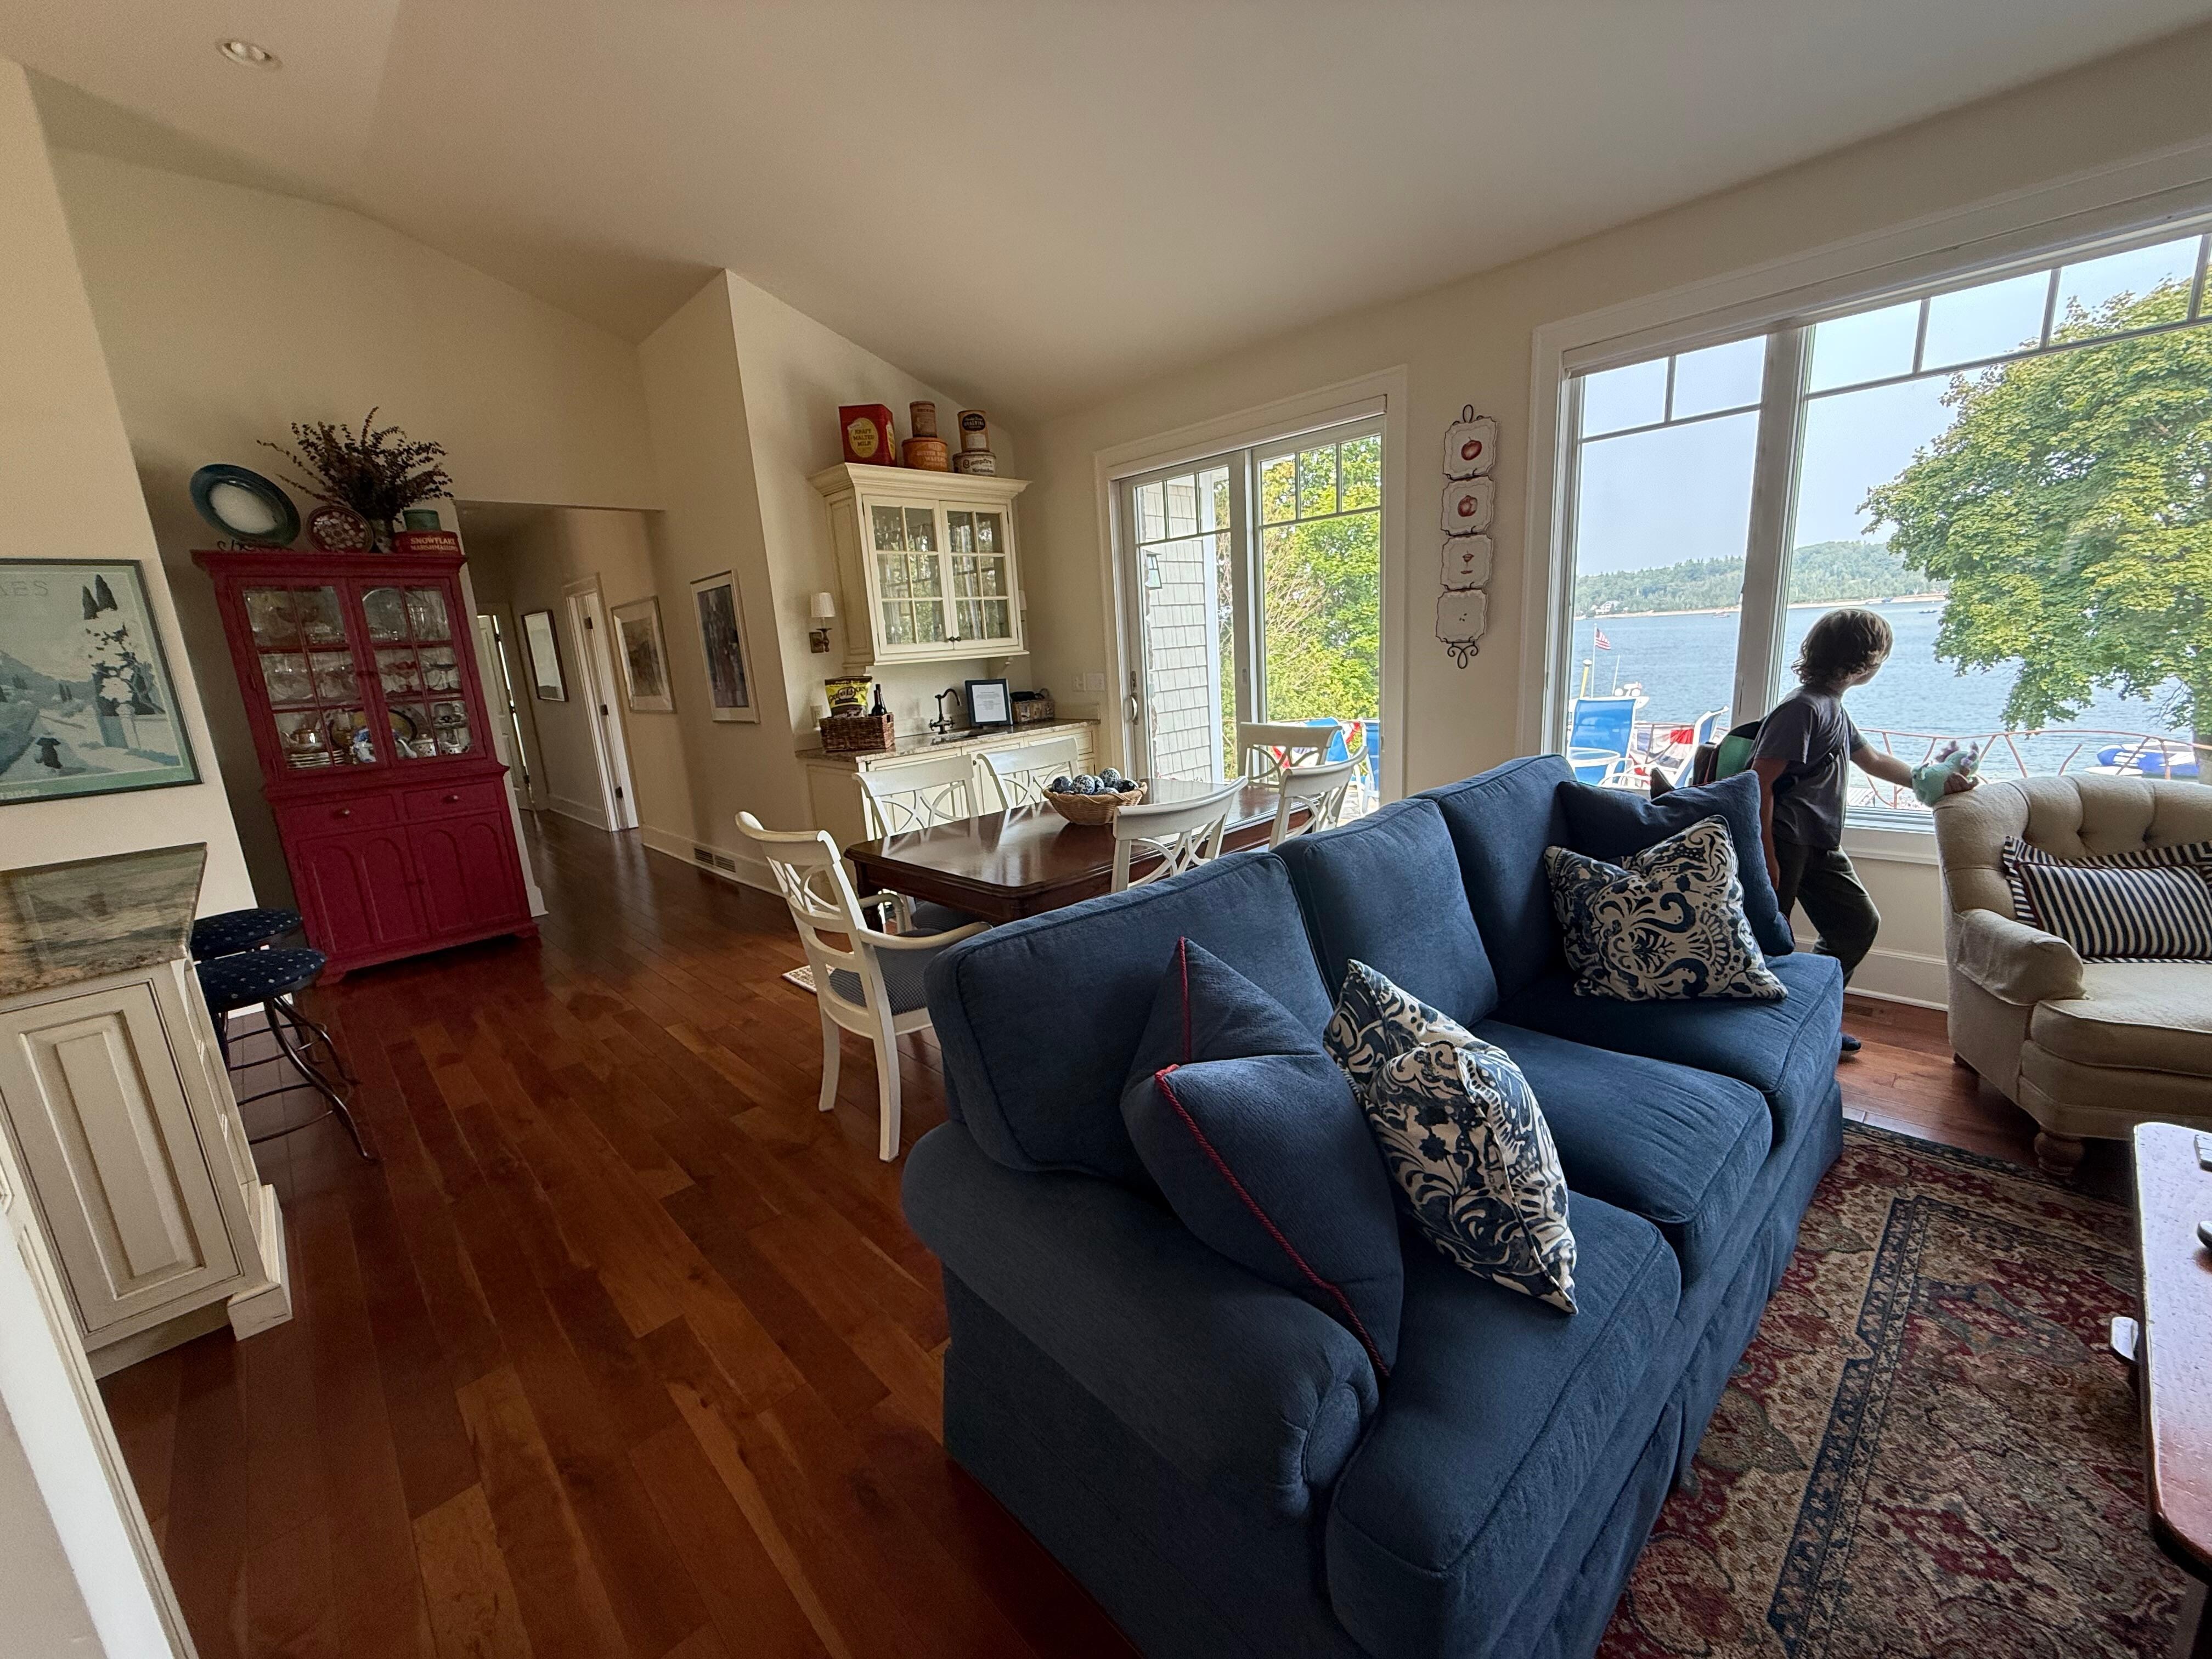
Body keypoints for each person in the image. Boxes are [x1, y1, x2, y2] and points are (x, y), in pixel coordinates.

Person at [1749, 608, 1973, 1056]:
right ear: (1865, 660)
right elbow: (1759, 781)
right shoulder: (1802, 709)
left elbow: (1872, 761)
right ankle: (1767, 1035)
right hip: (1787, 839)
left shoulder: (1832, 709)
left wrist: (1932, 780)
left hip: (1819, 843)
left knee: (1856, 924)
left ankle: (1808, 1016)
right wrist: (1766, 856)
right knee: (1769, 938)